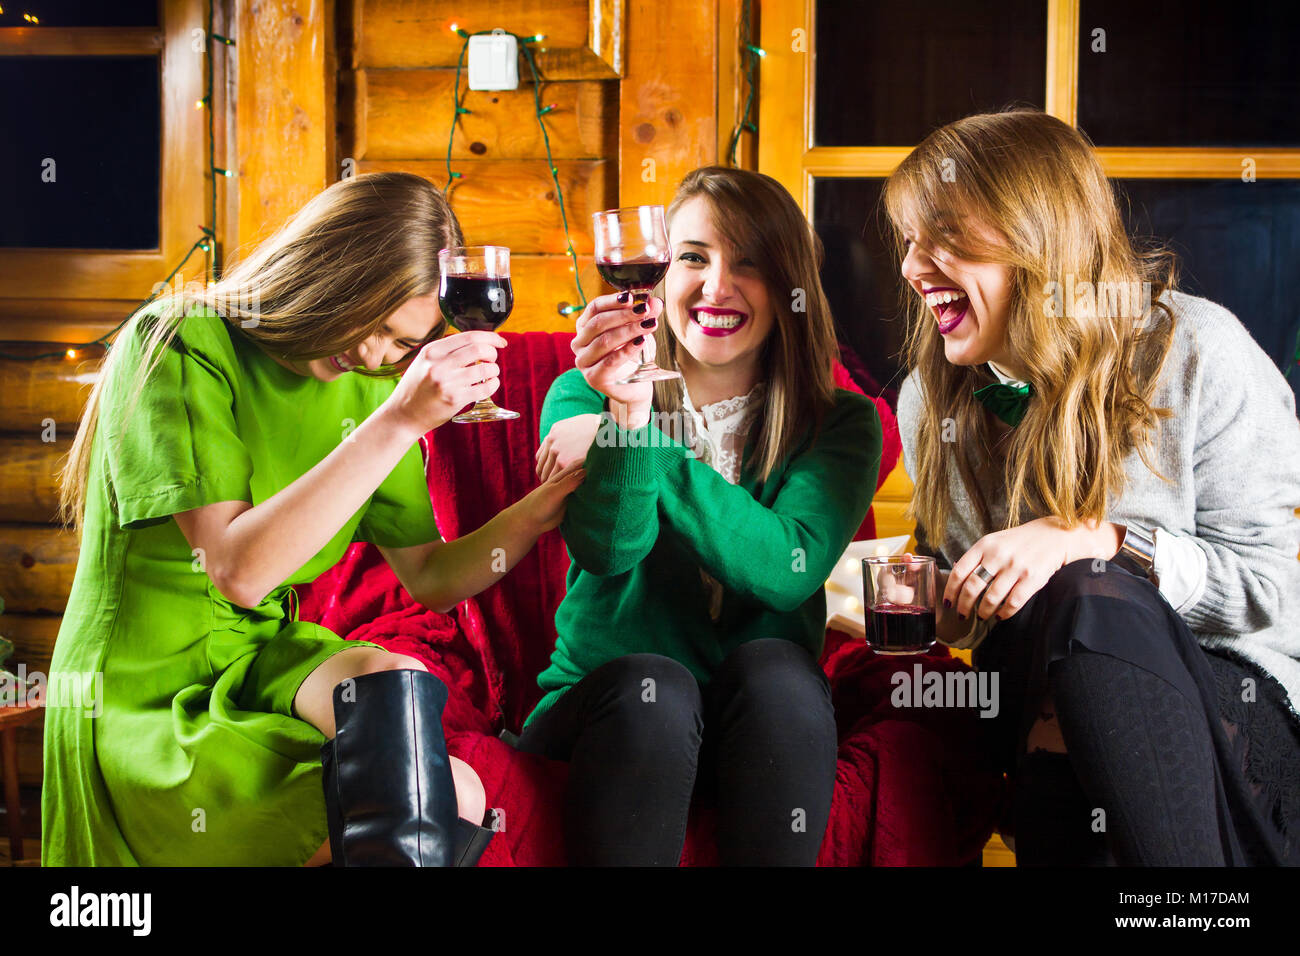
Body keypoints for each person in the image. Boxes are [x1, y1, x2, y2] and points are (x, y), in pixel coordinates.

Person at [43, 171, 584, 866]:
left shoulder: (365, 390)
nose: (371, 355)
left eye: (398, 344)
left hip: (259, 656)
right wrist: (396, 422)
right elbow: (237, 571)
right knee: (413, 804)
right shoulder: (184, 341)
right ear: (330, 271)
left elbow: (430, 576)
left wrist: (540, 510)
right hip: (139, 683)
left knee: (448, 781)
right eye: (372, 323)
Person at [886, 109, 1300, 865]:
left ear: (1037, 234)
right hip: (1041, 698)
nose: (913, 266)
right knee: (1062, 700)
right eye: (909, 240)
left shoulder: (1199, 349)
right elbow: (970, 616)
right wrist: (953, 602)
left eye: (943, 234)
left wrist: (1098, 541)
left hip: (1227, 709)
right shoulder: (929, 398)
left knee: (1089, 588)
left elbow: (1272, 590)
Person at [526, 166, 883, 865]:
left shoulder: (842, 422)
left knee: (782, 672)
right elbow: (611, 550)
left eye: (749, 263)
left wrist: (640, 448)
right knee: (653, 691)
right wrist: (624, 411)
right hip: (614, 716)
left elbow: (787, 570)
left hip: (757, 727)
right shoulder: (581, 394)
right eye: (693, 257)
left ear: (788, 287)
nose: (717, 286)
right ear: (659, 274)